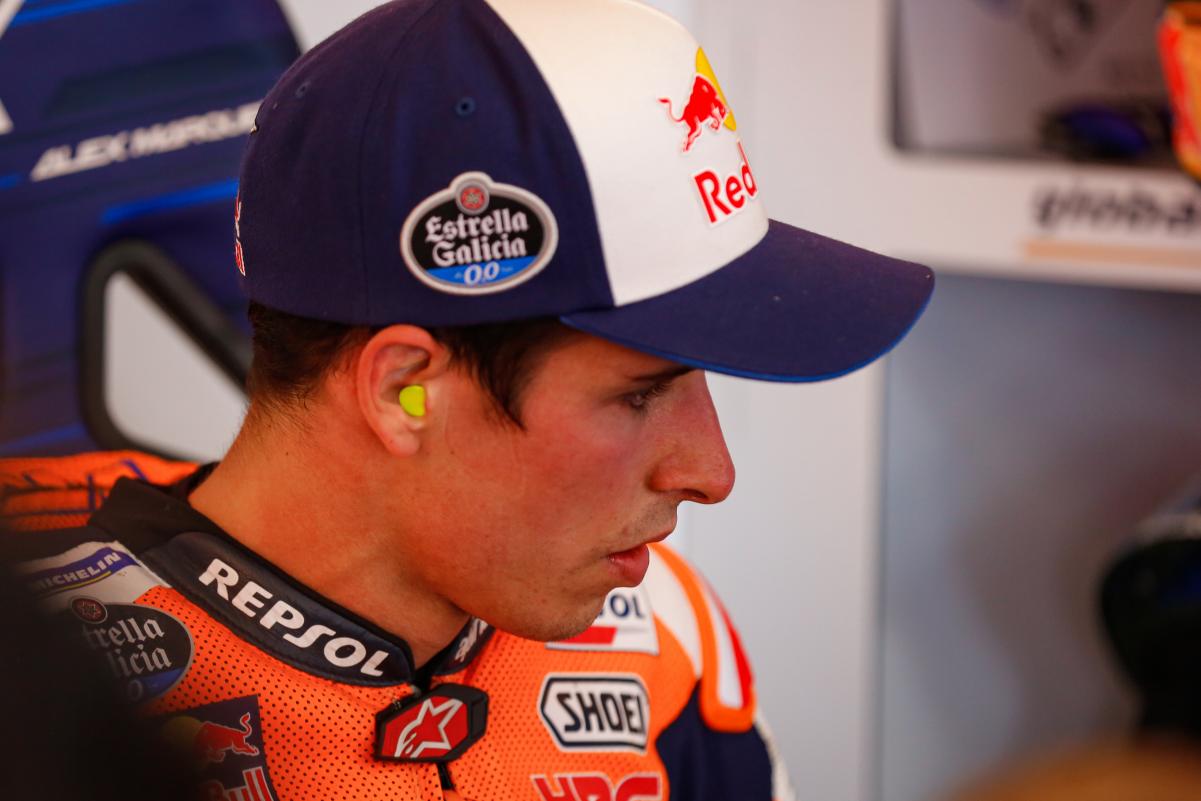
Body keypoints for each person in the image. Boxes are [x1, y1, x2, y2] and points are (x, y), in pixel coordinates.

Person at [2, 0, 933, 798]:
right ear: (404, 390)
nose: (710, 472)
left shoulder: (663, 630)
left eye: (699, 376)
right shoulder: (49, 703)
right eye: (640, 395)